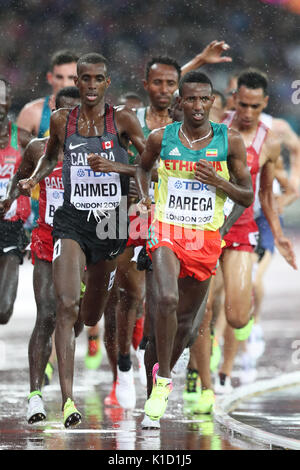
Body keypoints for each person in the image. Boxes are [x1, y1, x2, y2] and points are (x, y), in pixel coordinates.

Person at [18, 52, 146, 428]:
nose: (90, 86)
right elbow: (52, 155)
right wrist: (35, 178)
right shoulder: (61, 120)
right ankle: (67, 400)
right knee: (64, 306)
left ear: (108, 82)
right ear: (77, 80)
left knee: (91, 315)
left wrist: (116, 167)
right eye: (84, 79)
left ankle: (103, 347)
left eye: (97, 79)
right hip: (71, 220)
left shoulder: (121, 119)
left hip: (111, 222)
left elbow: (148, 164)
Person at [115, 40, 234, 409]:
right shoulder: (134, 117)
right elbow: (139, 166)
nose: (165, 90)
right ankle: (125, 364)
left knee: (191, 310)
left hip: (185, 223)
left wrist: (199, 61)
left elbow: (185, 83)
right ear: (147, 84)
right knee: (133, 296)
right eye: (159, 84)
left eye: (171, 85)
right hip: (136, 214)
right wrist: (140, 195)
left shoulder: (188, 122)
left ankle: (185, 372)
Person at [135, 71, 254, 428]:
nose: (198, 106)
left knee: (185, 328)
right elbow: (142, 169)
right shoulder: (161, 138)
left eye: (205, 99)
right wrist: (145, 200)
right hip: (167, 230)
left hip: (204, 237)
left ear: (213, 101)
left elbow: (246, 195)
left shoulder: (229, 141)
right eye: (191, 99)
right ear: (179, 103)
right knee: (167, 301)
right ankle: (162, 385)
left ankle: (161, 369)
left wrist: (219, 188)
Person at [194, 69, 297, 402]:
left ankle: (227, 361)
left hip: (241, 227)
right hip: (204, 225)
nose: (249, 113)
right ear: (234, 98)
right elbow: (175, 94)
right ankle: (207, 384)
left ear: (264, 103)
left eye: (256, 106)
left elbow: (265, 193)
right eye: (244, 105)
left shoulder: (270, 139)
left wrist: (279, 236)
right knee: (203, 310)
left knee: (237, 314)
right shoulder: (212, 124)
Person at [1, 87, 81, 423]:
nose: (73, 122)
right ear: (54, 113)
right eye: (66, 114)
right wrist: (9, 199)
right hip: (49, 238)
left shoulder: (103, 148)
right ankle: (39, 396)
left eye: (80, 115)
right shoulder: (37, 148)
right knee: (48, 314)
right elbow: (19, 176)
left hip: (88, 240)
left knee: (79, 318)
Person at [0, 78, 32, 325]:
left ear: (9, 102)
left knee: (3, 310)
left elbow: (43, 171)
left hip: (11, 227)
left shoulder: (22, 139)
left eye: (3, 98)